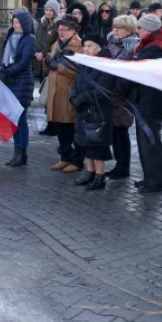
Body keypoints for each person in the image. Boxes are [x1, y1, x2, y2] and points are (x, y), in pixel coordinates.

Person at [130, 14, 162, 193]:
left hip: (152, 101)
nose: (136, 31)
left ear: (147, 30)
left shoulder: (156, 47)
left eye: (139, 28)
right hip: (143, 99)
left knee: (150, 142)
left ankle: (156, 181)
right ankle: (149, 178)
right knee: (143, 141)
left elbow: (138, 66)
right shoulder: (147, 45)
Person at [70, 34, 114, 190]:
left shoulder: (105, 64)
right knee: (84, 140)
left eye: (90, 46)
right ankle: (90, 171)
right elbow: (76, 82)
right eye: (85, 45)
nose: (86, 49)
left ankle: (100, 175)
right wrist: (73, 97)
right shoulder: (84, 63)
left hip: (98, 109)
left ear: (99, 48)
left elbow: (103, 89)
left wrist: (81, 98)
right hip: (83, 108)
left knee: (97, 142)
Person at [0, 9, 38, 167]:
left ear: (25, 23)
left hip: (22, 82)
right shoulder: (10, 37)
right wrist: (1, 68)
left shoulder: (29, 39)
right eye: (13, 22)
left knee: (20, 119)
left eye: (18, 22)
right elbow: (4, 57)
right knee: (12, 119)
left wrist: (6, 72)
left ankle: (22, 152)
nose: (15, 25)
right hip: (9, 82)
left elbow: (24, 62)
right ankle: (15, 151)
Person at [45, 15, 84, 172]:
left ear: (74, 31)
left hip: (69, 93)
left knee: (73, 129)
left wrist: (60, 68)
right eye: (59, 29)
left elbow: (79, 73)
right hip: (56, 93)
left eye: (65, 29)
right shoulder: (57, 45)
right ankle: (65, 157)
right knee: (61, 128)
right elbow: (51, 66)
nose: (61, 32)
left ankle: (76, 160)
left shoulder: (80, 48)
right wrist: (47, 63)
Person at [102, 14, 139, 179]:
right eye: (114, 26)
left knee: (121, 131)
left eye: (119, 27)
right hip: (110, 93)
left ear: (129, 30)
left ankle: (124, 167)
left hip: (122, 95)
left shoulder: (131, 47)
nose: (115, 30)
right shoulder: (112, 43)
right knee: (115, 131)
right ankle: (119, 164)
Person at [35, 0, 61, 79]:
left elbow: (56, 43)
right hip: (38, 60)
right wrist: (35, 52)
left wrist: (43, 53)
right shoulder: (41, 23)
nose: (48, 12)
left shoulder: (58, 25)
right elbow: (36, 39)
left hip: (49, 60)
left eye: (51, 10)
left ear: (55, 12)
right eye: (46, 10)